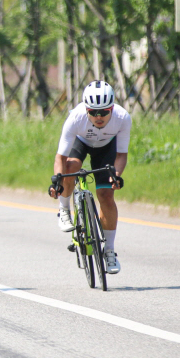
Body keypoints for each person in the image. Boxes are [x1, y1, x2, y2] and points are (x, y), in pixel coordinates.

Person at [49, 80, 130, 275]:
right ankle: (64, 210)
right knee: (72, 167)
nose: (99, 117)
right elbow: (60, 157)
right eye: (93, 112)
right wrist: (58, 182)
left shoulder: (123, 118)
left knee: (106, 195)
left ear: (112, 108)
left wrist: (116, 176)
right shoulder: (76, 118)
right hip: (81, 143)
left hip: (106, 148)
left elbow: (121, 156)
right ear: (86, 109)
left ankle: (109, 251)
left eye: (104, 112)